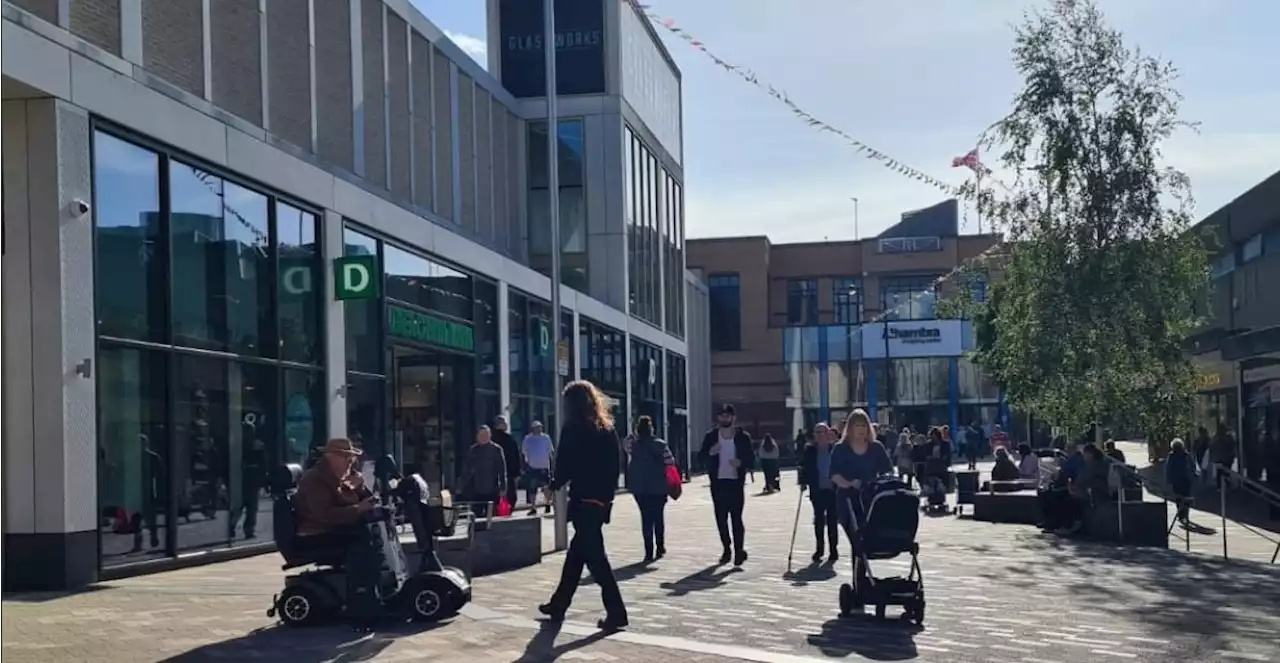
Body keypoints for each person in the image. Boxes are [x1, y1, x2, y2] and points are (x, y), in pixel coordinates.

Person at [539, 380, 627, 631]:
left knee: (596, 560)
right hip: (599, 501)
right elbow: (614, 467)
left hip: (582, 499)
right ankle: (559, 604)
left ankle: (617, 611)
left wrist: (554, 485)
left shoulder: (573, 428)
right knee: (576, 557)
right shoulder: (606, 428)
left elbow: (566, 463)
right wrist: (607, 500)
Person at [293, 438, 381, 627]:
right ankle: (361, 606)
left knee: (371, 537)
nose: (350, 461)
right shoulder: (315, 479)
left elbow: (367, 501)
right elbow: (323, 515)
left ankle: (374, 594)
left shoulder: (344, 477)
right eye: (345, 457)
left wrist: (361, 489)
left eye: (351, 457)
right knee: (362, 547)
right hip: (316, 534)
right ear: (330, 457)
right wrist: (358, 509)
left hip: (336, 529)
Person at [829, 409, 893, 584]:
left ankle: (863, 580)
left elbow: (887, 470)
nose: (861, 429)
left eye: (864, 425)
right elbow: (834, 474)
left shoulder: (876, 448)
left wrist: (878, 482)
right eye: (857, 425)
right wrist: (849, 484)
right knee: (857, 541)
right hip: (848, 500)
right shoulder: (841, 449)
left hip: (871, 501)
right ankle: (859, 582)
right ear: (850, 428)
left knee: (868, 540)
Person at [697, 404, 755, 566]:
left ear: (733, 418)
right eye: (721, 416)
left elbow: (751, 459)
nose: (724, 418)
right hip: (718, 483)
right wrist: (710, 453)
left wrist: (741, 462)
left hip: (736, 483)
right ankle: (727, 548)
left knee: (736, 518)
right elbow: (700, 458)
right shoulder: (711, 437)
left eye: (727, 416)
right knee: (721, 519)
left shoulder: (743, 437)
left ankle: (738, 551)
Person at [624, 415, 675, 562]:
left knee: (645, 518)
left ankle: (648, 551)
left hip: (640, 487)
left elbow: (625, 443)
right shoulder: (661, 444)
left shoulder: (634, 445)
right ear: (652, 429)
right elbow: (670, 461)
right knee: (658, 517)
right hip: (658, 486)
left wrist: (634, 434)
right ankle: (660, 547)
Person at [799, 422, 839, 563]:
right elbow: (804, 466)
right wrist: (803, 482)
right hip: (817, 490)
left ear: (828, 434)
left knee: (833, 521)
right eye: (817, 432)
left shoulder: (835, 449)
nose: (820, 435)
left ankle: (834, 550)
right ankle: (819, 549)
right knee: (819, 520)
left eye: (823, 432)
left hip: (833, 490)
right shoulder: (810, 450)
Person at [463, 426, 508, 516]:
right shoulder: (473, 450)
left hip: (492, 489)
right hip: (476, 489)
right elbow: (467, 470)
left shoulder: (496, 449)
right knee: (476, 516)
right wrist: (461, 485)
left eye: (485, 435)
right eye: (481, 435)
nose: (483, 437)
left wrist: (503, 487)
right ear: (477, 436)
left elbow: (502, 470)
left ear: (490, 435)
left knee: (492, 516)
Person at [522, 421, 555, 516]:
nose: (538, 429)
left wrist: (551, 465)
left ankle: (547, 503)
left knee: (546, 487)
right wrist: (526, 463)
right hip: (533, 467)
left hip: (544, 466)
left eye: (540, 427)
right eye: (536, 427)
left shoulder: (546, 438)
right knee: (532, 488)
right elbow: (524, 452)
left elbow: (550, 452)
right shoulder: (528, 439)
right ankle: (533, 507)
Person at [491, 416, 523, 511]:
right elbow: (515, 456)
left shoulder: (491, 439)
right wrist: (517, 472)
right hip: (509, 472)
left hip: (493, 473)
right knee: (510, 496)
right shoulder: (509, 439)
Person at [1165, 438, 1196, 525]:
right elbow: (1192, 466)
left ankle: (1181, 515)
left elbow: (1168, 468)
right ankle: (1185, 515)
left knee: (1178, 497)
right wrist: (1193, 475)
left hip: (1176, 480)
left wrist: (1168, 479)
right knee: (1186, 497)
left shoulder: (1171, 456)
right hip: (1185, 479)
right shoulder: (1186, 455)